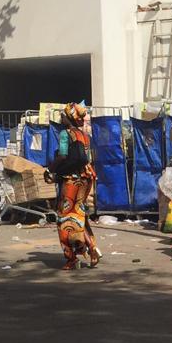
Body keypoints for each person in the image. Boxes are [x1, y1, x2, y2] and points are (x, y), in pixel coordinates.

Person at [49, 102, 101, 270]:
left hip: (72, 179)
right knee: (79, 214)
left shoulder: (66, 134)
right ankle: (92, 248)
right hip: (86, 177)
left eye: (63, 115)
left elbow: (63, 156)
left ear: (69, 117)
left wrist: (51, 169)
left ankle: (71, 258)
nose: (61, 118)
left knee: (64, 219)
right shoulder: (84, 135)